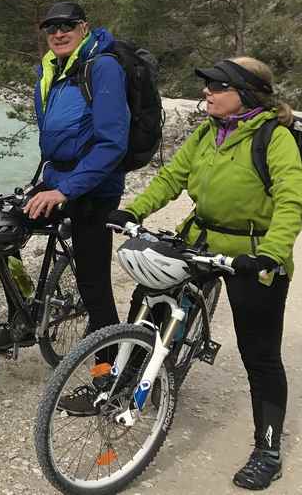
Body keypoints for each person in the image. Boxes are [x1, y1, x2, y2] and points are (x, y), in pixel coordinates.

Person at [108, 56, 302, 490]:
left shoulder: (275, 137)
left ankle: (268, 449)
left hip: (252, 254)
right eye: (207, 85)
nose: (207, 92)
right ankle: (128, 386)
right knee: (150, 301)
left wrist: (271, 253)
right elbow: (171, 179)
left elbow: (292, 201)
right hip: (198, 237)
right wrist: (131, 210)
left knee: (261, 355)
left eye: (217, 86)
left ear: (245, 94)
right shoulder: (207, 131)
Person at [19, 1, 130, 352]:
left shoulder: (103, 67)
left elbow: (112, 145)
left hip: (96, 189)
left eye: (67, 25)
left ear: (84, 27)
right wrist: (51, 183)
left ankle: (108, 369)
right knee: (1, 227)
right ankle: (25, 312)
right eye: (51, 28)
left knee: (93, 284)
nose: (58, 33)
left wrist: (65, 190)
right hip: (60, 178)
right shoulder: (52, 69)